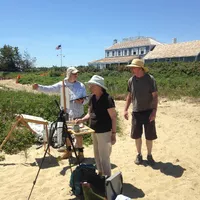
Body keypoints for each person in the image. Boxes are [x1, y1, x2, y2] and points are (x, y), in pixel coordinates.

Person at [32, 67, 87, 161]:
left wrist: (82, 101)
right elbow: (50, 89)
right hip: (65, 113)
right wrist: (39, 87)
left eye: (77, 74)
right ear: (69, 74)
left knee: (78, 134)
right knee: (66, 134)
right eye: (74, 74)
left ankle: (80, 153)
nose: (76, 75)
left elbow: (86, 99)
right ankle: (68, 151)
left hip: (78, 113)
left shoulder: (80, 85)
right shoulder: (62, 84)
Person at [76, 75, 117, 176]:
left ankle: (107, 178)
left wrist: (114, 133)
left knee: (104, 156)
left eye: (92, 85)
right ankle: (100, 174)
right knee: (97, 154)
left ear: (99, 86)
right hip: (93, 130)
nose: (90, 87)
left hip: (104, 131)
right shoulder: (92, 98)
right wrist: (82, 119)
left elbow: (113, 117)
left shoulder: (107, 99)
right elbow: (89, 113)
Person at [124, 58, 158, 166]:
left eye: (133, 67)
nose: (132, 69)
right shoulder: (131, 80)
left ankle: (149, 155)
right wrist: (125, 109)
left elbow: (155, 96)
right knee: (137, 135)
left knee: (149, 136)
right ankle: (139, 154)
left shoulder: (150, 79)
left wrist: (154, 111)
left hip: (148, 111)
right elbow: (129, 96)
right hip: (136, 112)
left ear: (140, 68)